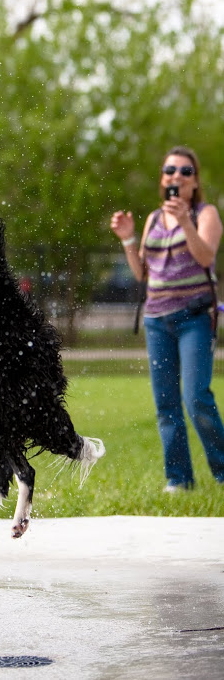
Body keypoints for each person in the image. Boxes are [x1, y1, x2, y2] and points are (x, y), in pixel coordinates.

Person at [111, 145, 224, 492]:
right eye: (170, 170)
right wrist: (128, 239)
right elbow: (144, 273)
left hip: (194, 318)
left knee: (196, 398)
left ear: (195, 180)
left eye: (185, 171)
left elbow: (205, 256)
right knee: (166, 404)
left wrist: (186, 221)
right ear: (163, 179)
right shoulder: (154, 219)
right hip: (157, 321)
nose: (177, 176)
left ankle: (222, 471)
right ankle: (179, 479)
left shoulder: (206, 214)